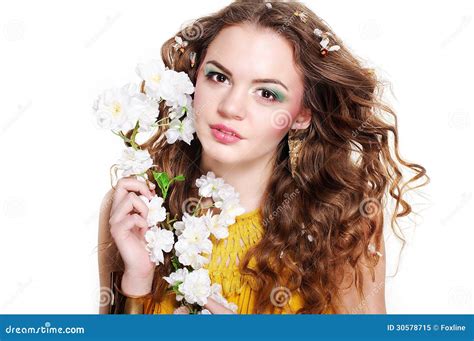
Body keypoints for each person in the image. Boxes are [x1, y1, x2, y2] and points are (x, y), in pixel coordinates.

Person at [98, 0, 429, 314]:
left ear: (302, 114)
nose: (230, 107)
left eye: (267, 93)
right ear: (194, 78)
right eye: (218, 77)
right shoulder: (137, 209)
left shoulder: (342, 221)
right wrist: (137, 285)